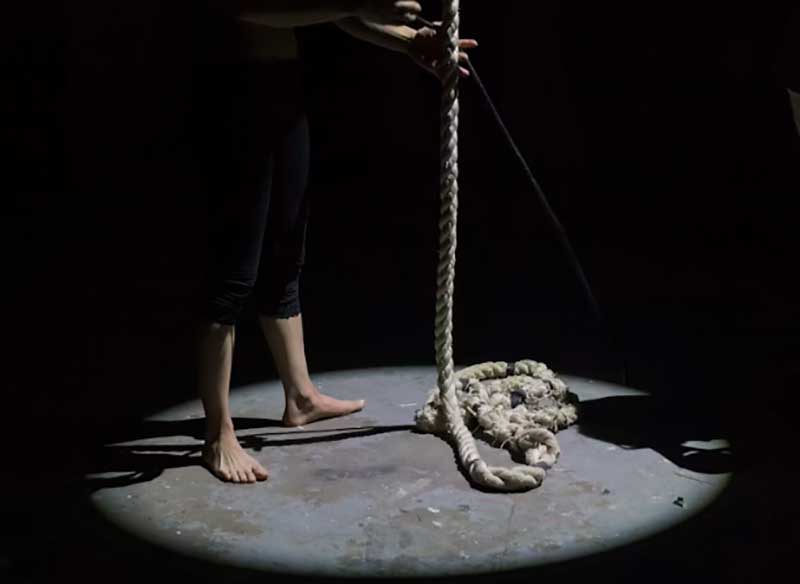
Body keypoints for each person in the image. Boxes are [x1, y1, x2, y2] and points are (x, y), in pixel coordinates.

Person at [194, 1, 478, 484]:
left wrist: (408, 42)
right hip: (234, 89)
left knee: (286, 247)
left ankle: (301, 397)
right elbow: (248, 9)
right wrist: (362, 2)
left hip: (280, 84)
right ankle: (218, 435)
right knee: (235, 268)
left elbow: (324, 10)